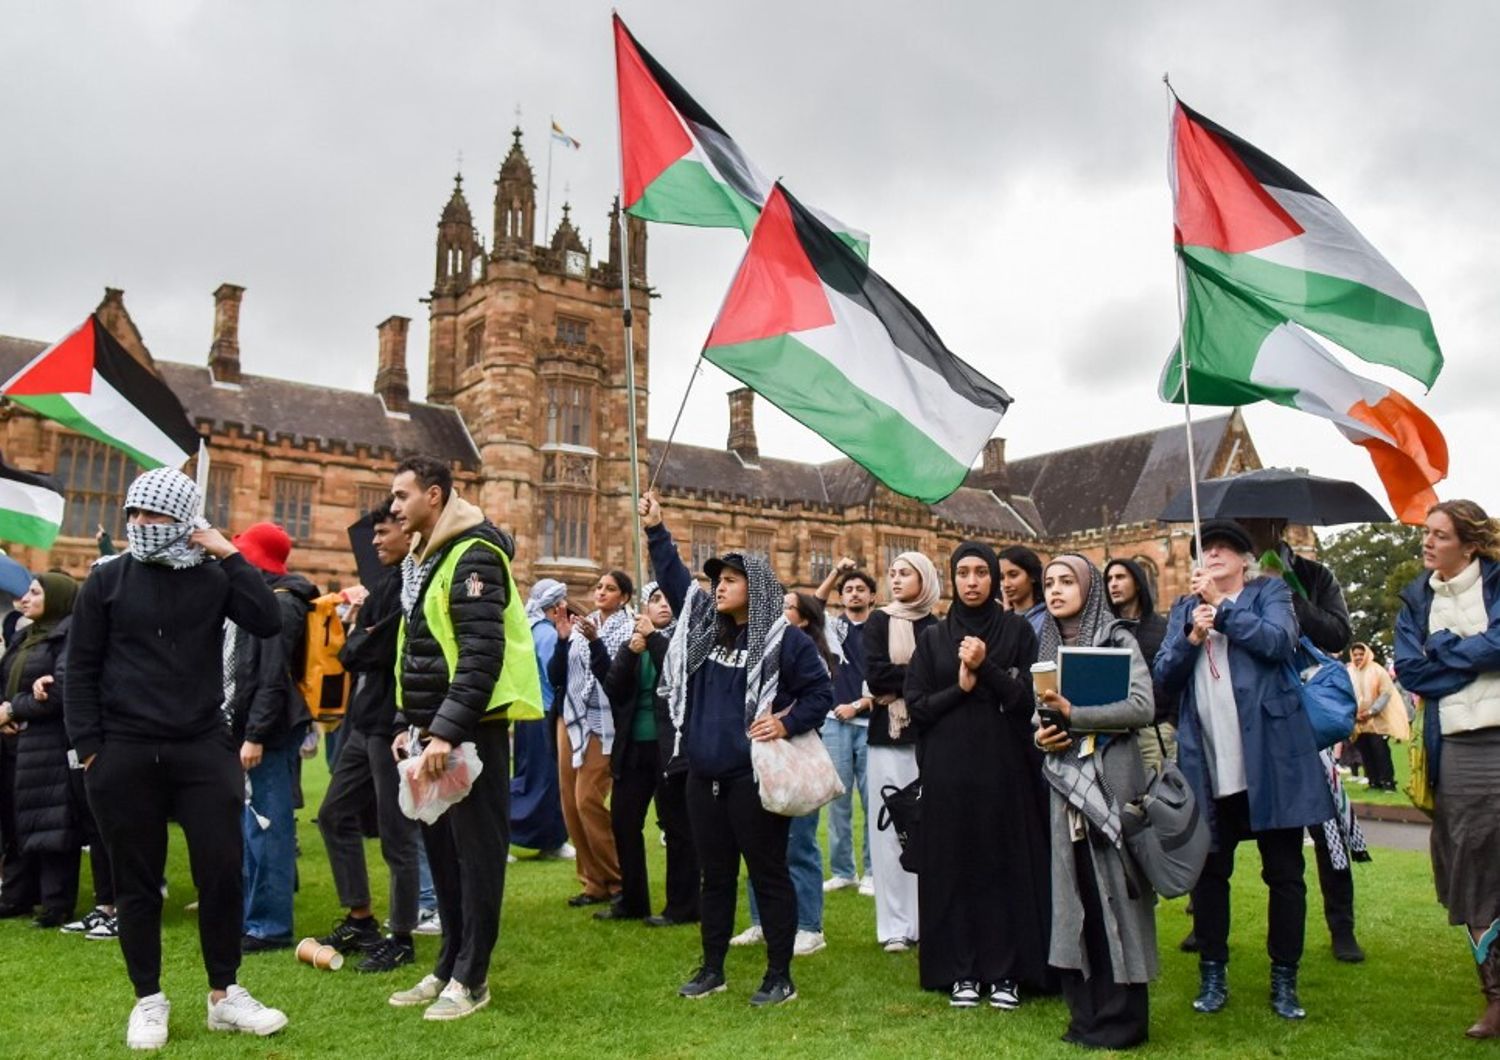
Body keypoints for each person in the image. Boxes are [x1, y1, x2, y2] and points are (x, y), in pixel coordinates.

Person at [65, 466, 289, 1049]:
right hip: (123, 750)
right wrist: (91, 751)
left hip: (200, 745)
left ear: (186, 519)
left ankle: (224, 994)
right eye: (134, 513)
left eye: (155, 515)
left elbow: (268, 620)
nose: (141, 525)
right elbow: (80, 669)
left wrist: (230, 554)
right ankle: (148, 1000)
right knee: (137, 882)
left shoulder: (215, 577)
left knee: (221, 872)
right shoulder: (106, 580)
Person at [641, 492, 831, 1007]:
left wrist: (784, 721)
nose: (717, 587)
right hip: (704, 778)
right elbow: (679, 585)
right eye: (716, 580)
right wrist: (657, 530)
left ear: (756, 588)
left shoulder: (783, 640)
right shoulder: (704, 631)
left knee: (769, 874)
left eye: (728, 580)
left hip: (752, 778)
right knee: (716, 878)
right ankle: (713, 969)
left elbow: (821, 693)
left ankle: (778, 975)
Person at [1153, 519, 1333, 1021]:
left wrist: (1227, 611)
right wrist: (1192, 635)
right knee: (1210, 872)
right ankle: (1213, 972)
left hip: (1270, 757)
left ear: (1242, 559)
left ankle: (1285, 980)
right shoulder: (1185, 610)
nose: (1209, 557)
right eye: (1202, 551)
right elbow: (1163, 676)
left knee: (1284, 873)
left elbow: (1280, 643)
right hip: (1208, 760)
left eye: (1219, 550)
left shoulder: (1268, 593)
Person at [385, 455, 543, 1021]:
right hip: (434, 734)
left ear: (434, 494)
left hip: (473, 731)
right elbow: (423, 653)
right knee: (444, 855)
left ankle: (473, 978)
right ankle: (449, 961)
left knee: (476, 857)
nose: (394, 507)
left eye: (402, 496)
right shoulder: (425, 558)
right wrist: (412, 726)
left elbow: (479, 655)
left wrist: (446, 732)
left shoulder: (474, 555)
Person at [905, 541, 1050, 1009]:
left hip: (1003, 767)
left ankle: (1005, 971)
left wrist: (984, 667)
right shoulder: (932, 639)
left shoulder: (1016, 632)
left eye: (981, 573)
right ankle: (961, 970)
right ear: (952, 578)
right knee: (954, 868)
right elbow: (918, 708)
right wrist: (961, 688)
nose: (972, 581)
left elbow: (1027, 700)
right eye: (963, 572)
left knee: (1001, 866)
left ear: (994, 579)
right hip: (948, 769)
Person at [1034, 555, 1156, 1049]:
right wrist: (1042, 737)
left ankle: (1122, 1021)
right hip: (1063, 789)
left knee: (1116, 897)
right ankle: (1084, 1016)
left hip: (1111, 783)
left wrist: (1077, 715)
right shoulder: (1044, 647)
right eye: (1049, 583)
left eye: (1067, 581)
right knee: (1076, 897)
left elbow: (1143, 706)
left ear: (1090, 588)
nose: (1056, 590)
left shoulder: (1116, 638)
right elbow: (1036, 716)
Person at [1393, 499, 1500, 1040]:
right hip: (1458, 746)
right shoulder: (1416, 598)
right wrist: (1470, 657)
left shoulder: (1498, 583)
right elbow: (1412, 669)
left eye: (1440, 535)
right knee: (1471, 864)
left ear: (1471, 544)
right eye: (1426, 533)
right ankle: (1497, 997)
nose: (1427, 542)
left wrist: (1447, 651)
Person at [1240, 517, 1365, 964]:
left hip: (1305, 716)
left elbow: (1337, 634)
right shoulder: (1229, 581)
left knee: (1328, 824)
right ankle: (1204, 925)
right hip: (1253, 717)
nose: (1244, 531)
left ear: (1274, 526)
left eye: (1250, 524)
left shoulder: (1314, 576)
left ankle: (1342, 925)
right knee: (1222, 823)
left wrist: (1286, 594)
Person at [316, 501, 423, 973]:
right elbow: (356, 649)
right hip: (364, 722)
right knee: (334, 813)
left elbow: (364, 650)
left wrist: (360, 634)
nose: (376, 540)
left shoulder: (409, 585)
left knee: (397, 834)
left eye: (384, 532)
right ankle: (360, 917)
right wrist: (361, 635)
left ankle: (401, 936)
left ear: (407, 531)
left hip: (390, 724)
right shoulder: (383, 585)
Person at [223, 522, 314, 954]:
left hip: (270, 733)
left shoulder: (280, 605)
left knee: (268, 829)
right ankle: (253, 916)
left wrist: (255, 734)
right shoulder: (263, 601)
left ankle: (269, 926)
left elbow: (273, 677)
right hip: (255, 729)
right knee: (254, 826)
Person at [734, 592, 833, 955]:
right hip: (754, 755)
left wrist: (786, 723)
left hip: (793, 755)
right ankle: (762, 920)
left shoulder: (802, 646)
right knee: (755, 842)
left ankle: (809, 926)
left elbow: (822, 695)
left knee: (797, 843)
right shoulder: (745, 642)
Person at [602, 580, 699, 926]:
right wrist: (631, 650)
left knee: (676, 825)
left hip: (669, 747)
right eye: (654, 599)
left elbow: (678, 677)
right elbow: (613, 687)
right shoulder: (637, 640)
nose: (662, 605)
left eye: (667, 598)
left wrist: (655, 640)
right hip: (633, 747)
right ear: (644, 606)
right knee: (624, 821)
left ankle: (683, 906)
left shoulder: (684, 637)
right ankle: (633, 899)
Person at [861, 550, 940, 953]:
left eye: (905, 573)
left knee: (929, 829)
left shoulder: (936, 624)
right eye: (891, 572)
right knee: (891, 830)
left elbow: (942, 677)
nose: (895, 579)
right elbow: (874, 677)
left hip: (930, 737)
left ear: (924, 578)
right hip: (887, 737)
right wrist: (919, 682)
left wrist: (906, 684)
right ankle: (894, 926)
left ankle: (927, 920)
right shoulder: (879, 620)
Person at [0, 573, 82, 928]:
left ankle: (55, 902)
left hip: (48, 743)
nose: (25, 599)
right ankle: (18, 895)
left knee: (51, 821)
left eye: (35, 593)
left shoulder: (65, 638)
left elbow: (59, 695)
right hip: (15, 741)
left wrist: (14, 708)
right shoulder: (24, 637)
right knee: (16, 819)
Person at [547, 571, 632, 910]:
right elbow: (557, 677)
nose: (601, 592)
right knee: (569, 804)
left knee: (587, 800)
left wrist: (595, 640)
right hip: (570, 718)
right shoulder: (581, 626)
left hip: (603, 722)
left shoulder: (627, 628)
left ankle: (618, 878)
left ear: (623, 597)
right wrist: (563, 640)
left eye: (610, 588)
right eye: (599, 587)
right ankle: (592, 882)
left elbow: (614, 678)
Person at [813, 559, 874, 895]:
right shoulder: (834, 629)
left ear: (872, 597)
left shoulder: (881, 627)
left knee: (871, 801)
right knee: (838, 801)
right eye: (848, 590)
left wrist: (861, 704)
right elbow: (813, 606)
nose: (853, 594)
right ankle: (843, 871)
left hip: (869, 721)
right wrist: (836, 571)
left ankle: (873, 872)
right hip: (836, 722)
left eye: (860, 589)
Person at [512, 579, 572, 858]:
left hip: (530, 713)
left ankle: (549, 841)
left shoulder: (529, 629)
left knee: (533, 775)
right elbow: (556, 673)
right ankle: (505, 832)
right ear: (556, 606)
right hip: (545, 713)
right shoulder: (546, 634)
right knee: (544, 779)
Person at [1104, 559, 1178, 770]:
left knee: (1161, 799)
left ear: (1137, 583)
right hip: (1116, 736)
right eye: (1109, 579)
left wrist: (1171, 722)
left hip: (1155, 731)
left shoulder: (1163, 627)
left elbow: (1178, 675)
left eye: (1120, 577)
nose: (1113, 584)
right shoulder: (1105, 632)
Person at [1348, 642, 1407, 791]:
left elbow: (1385, 693)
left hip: (1377, 719)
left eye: (1361, 654)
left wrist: (1371, 712)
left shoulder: (1377, 670)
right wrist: (1355, 714)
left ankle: (1388, 782)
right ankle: (1373, 781)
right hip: (1358, 721)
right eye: (1355, 655)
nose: (1358, 657)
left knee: (1380, 751)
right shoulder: (1349, 672)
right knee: (1365, 752)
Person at [999, 544, 1048, 636]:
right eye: (1001, 578)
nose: (1006, 584)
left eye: (1013, 575)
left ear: (1032, 576)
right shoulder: (997, 619)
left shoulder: (1047, 621)